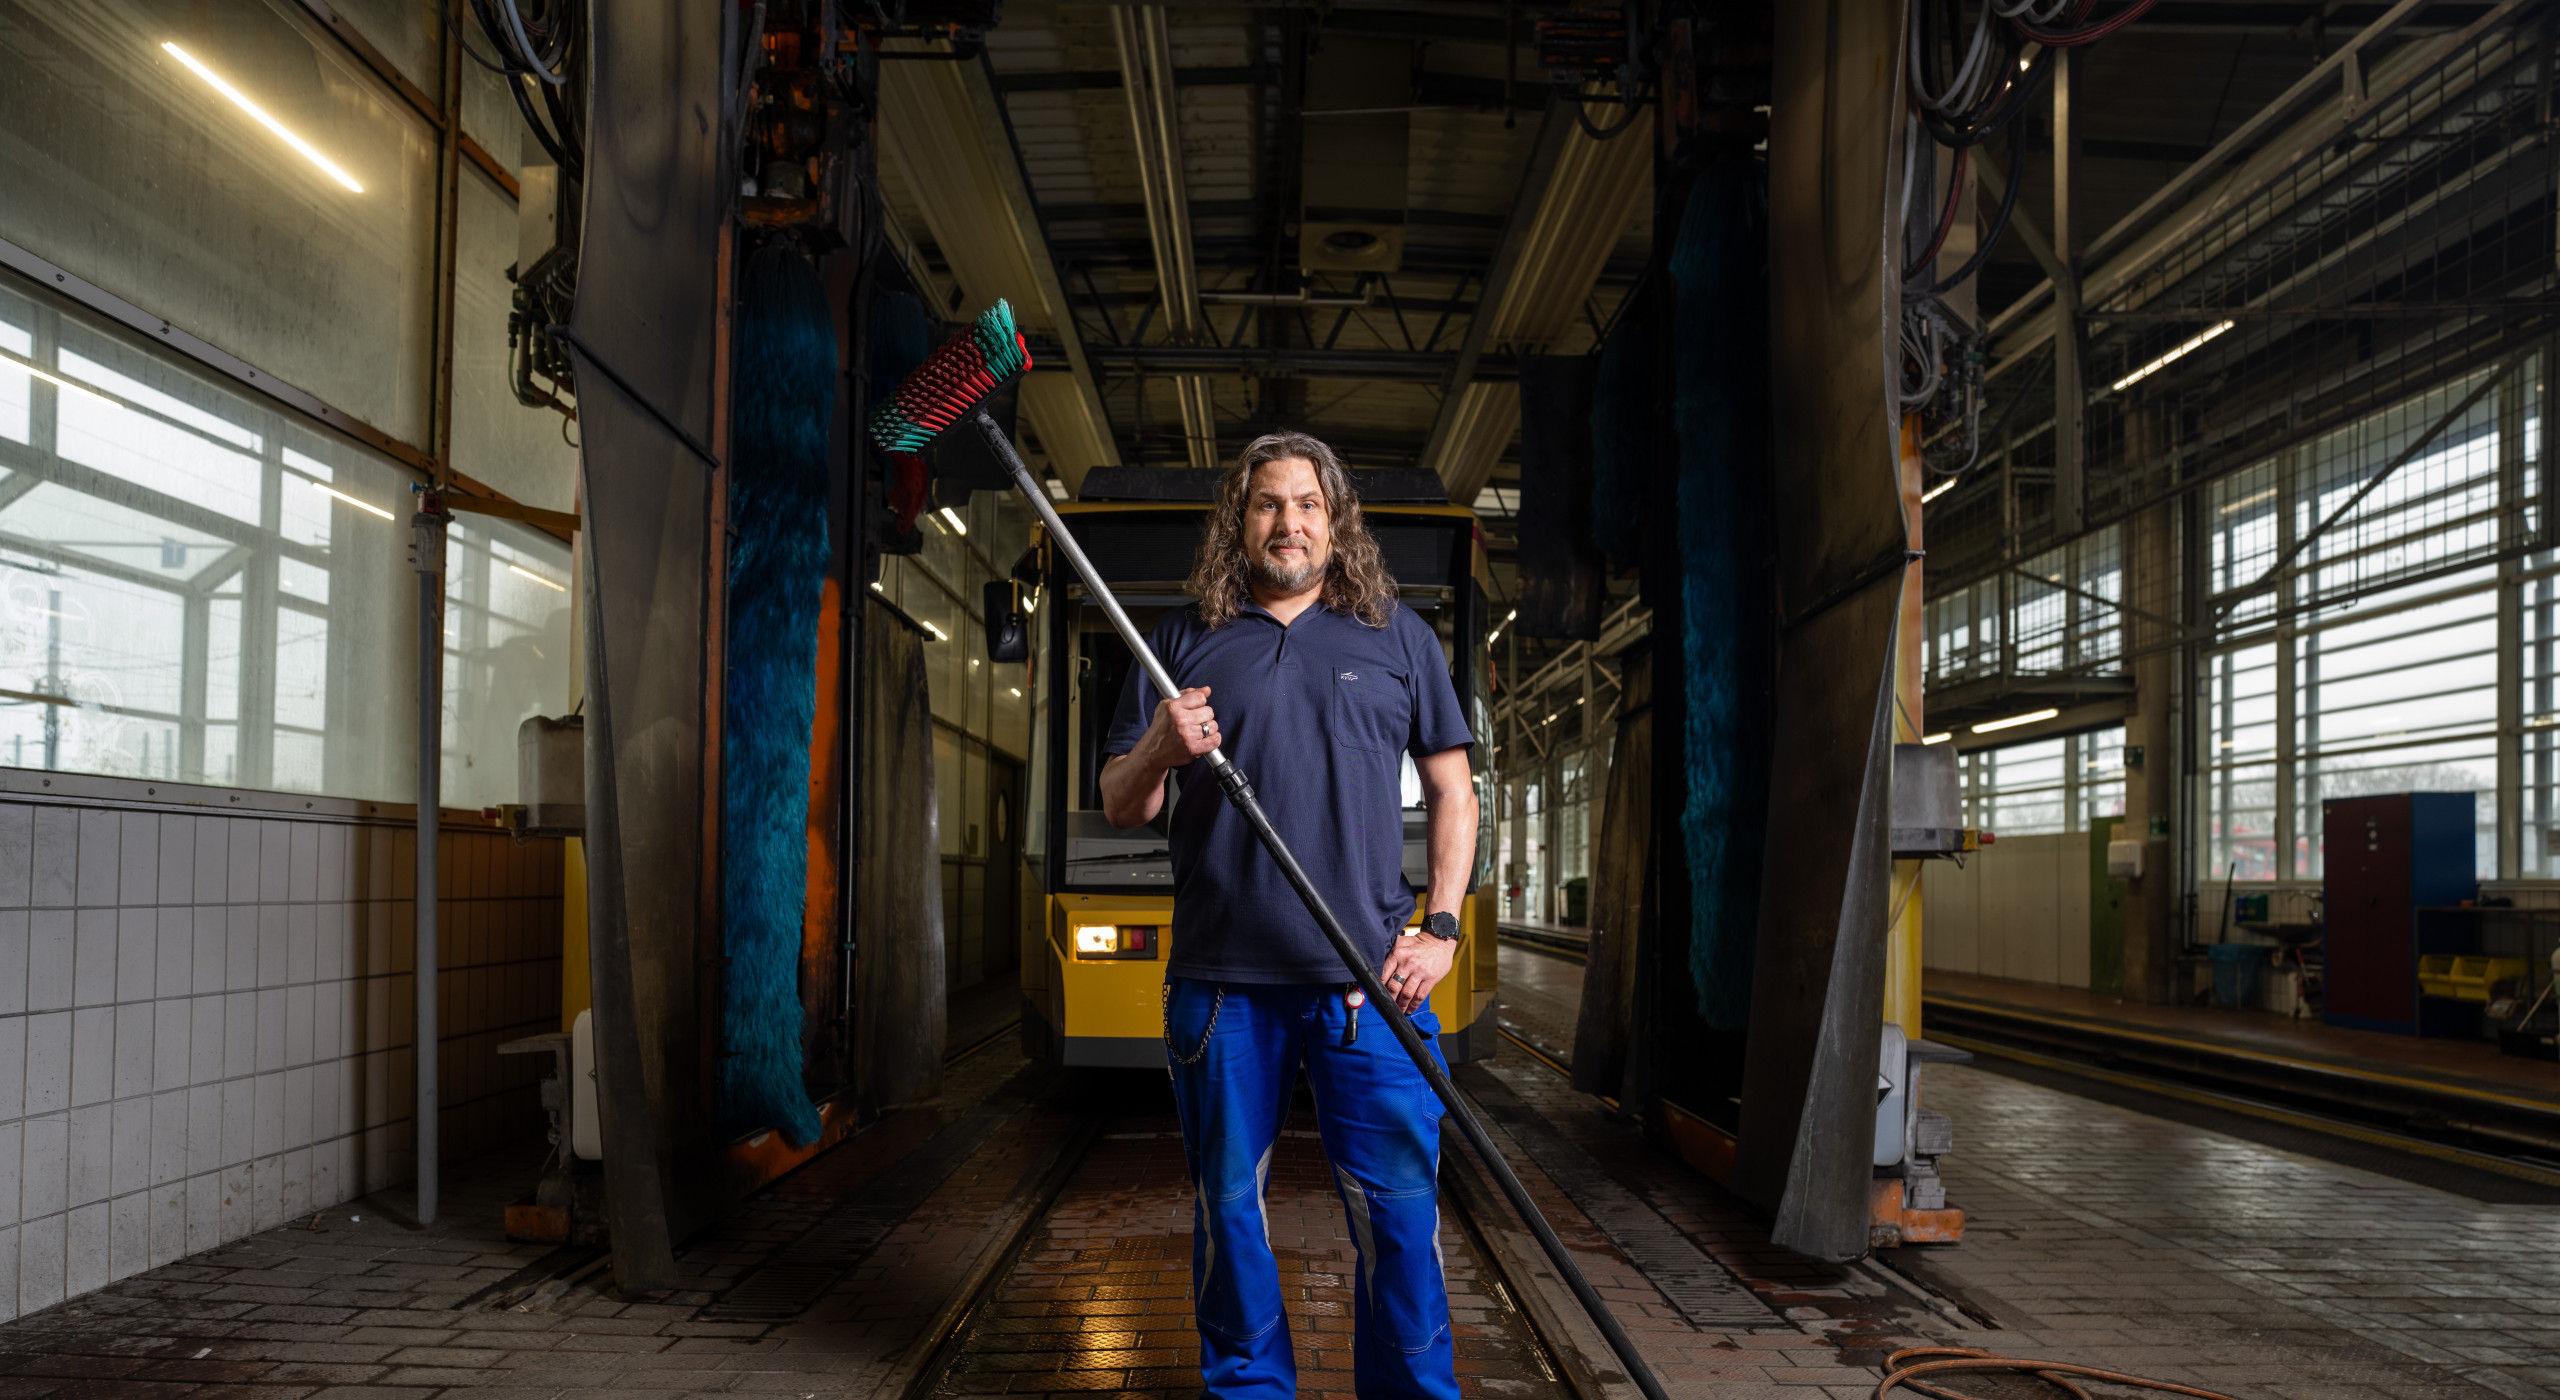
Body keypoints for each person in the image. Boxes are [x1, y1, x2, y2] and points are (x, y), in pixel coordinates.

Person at [1100, 431, 1478, 1400]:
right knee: (1228, 1209)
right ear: (1241, 521)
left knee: (1396, 1215)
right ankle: (1249, 1390)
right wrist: (1159, 745)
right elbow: (1120, 802)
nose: (1289, 522)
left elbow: (1453, 791)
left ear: (1335, 519)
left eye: (1307, 504)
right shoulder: (1176, 638)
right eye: (1268, 504)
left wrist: (1438, 928)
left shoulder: (1397, 636)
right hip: (1224, 984)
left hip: (1369, 984)